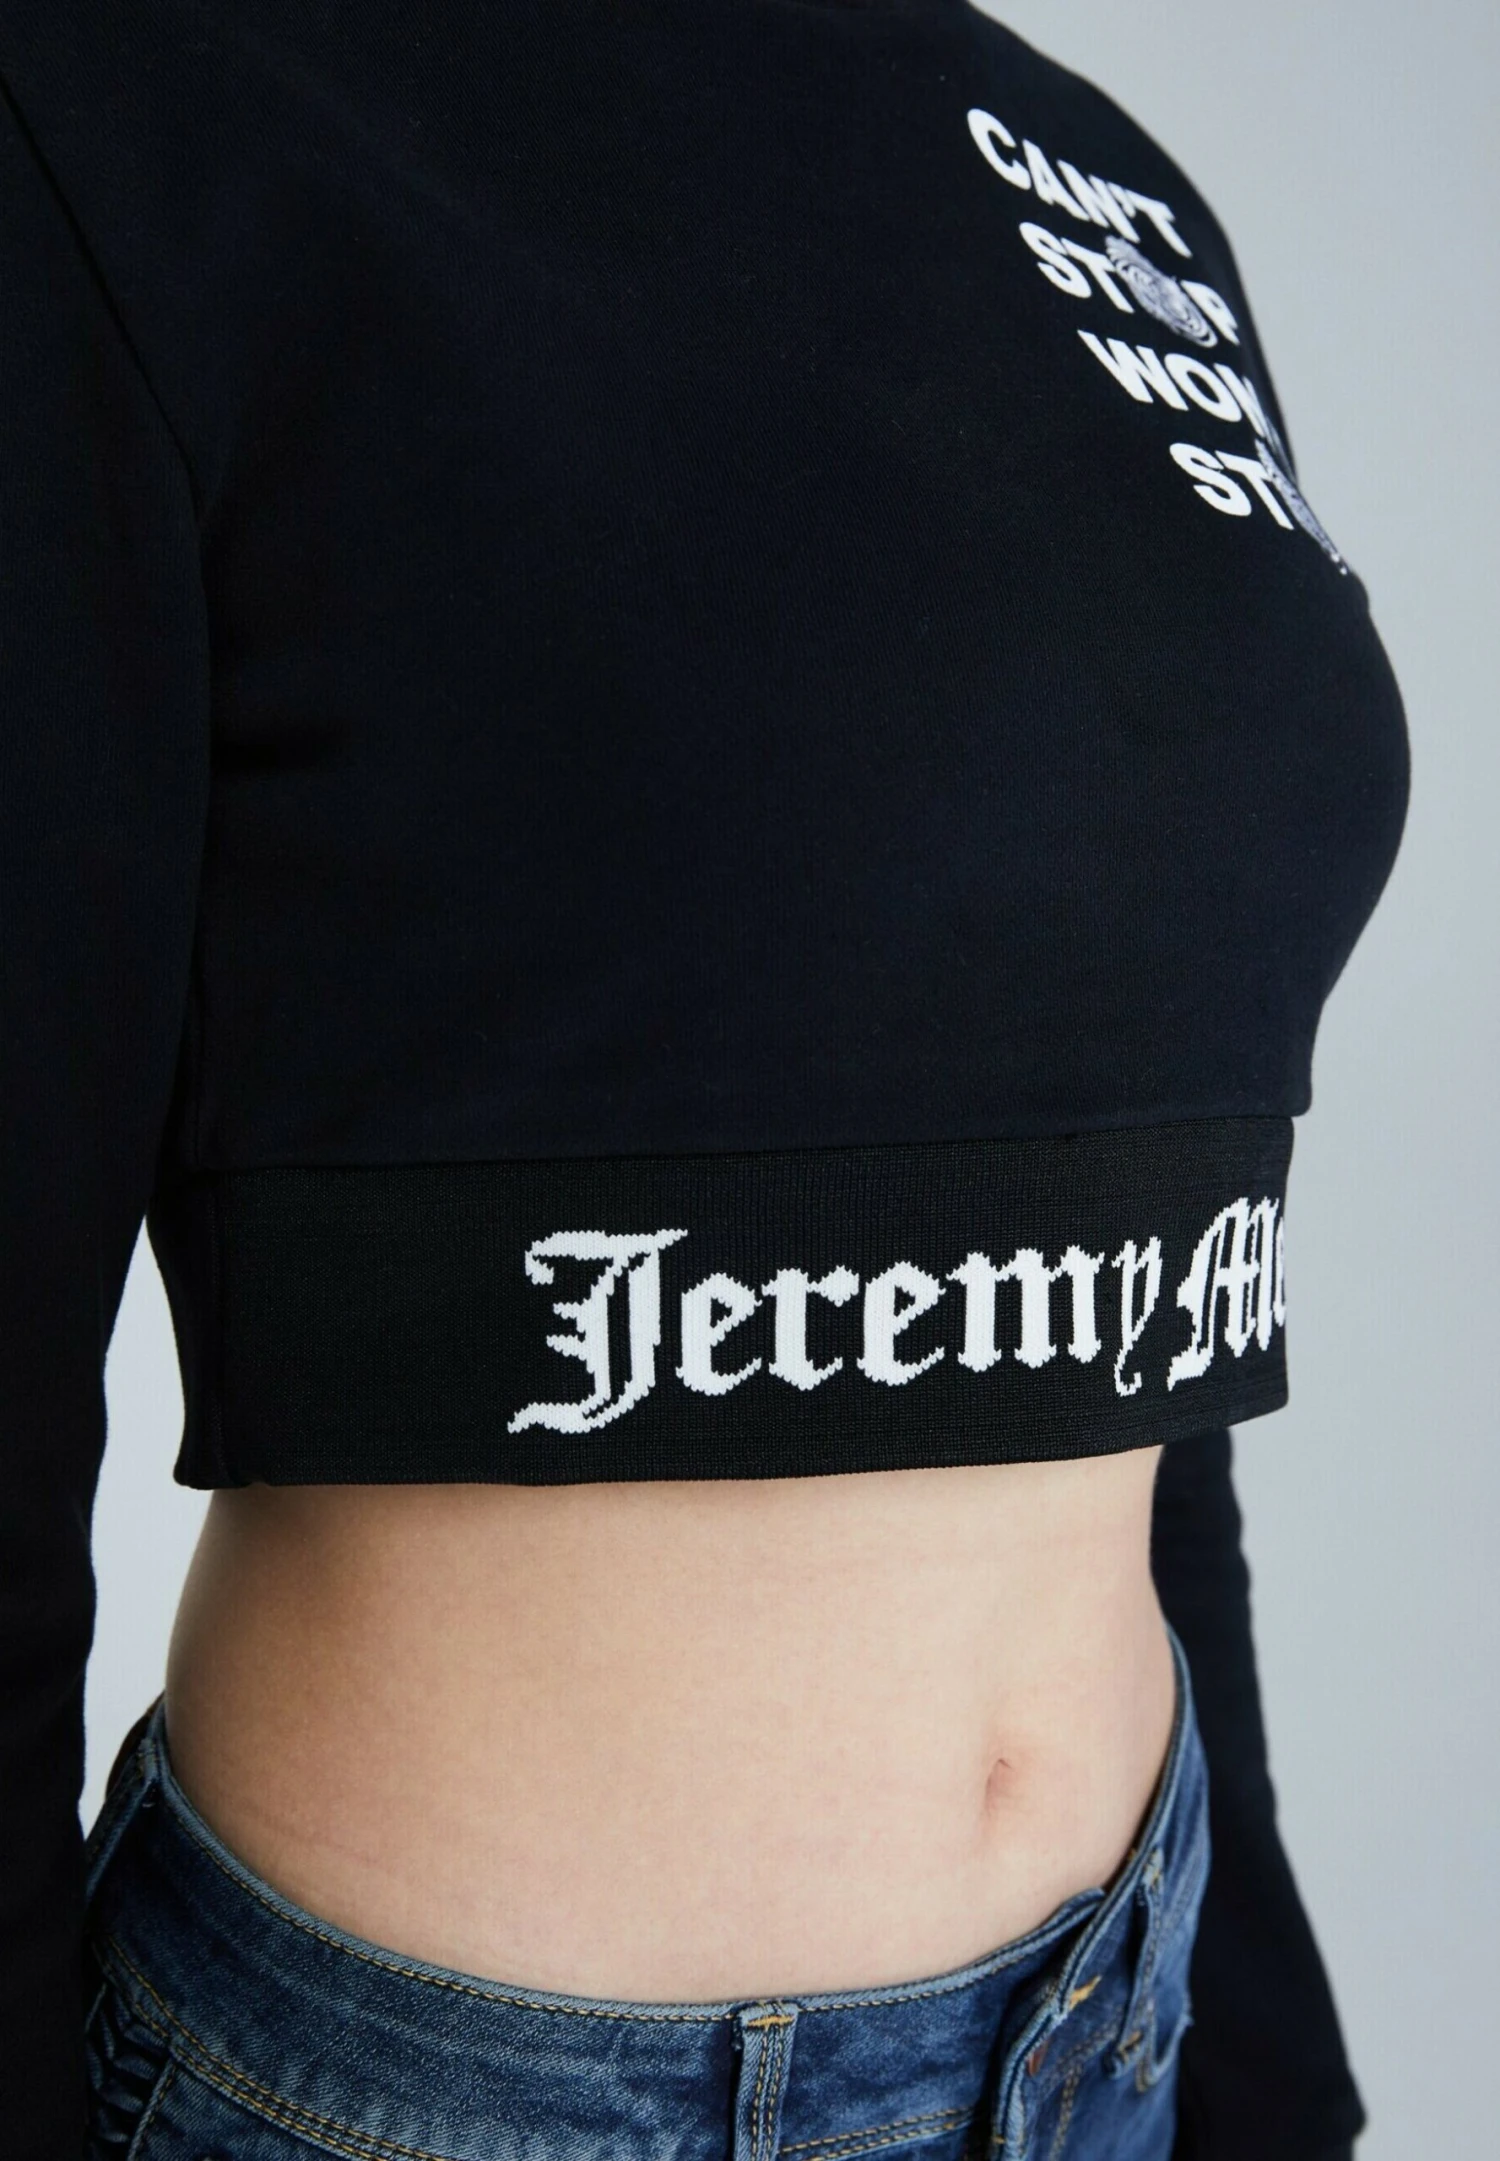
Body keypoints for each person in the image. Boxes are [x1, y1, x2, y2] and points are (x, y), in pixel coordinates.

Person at [0, 4, 1408, 2158]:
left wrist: (1264, 2070)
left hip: (1124, 2010)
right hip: (452, 2105)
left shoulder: (1096, 176)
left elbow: (1122, 1258)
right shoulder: (130, 109)